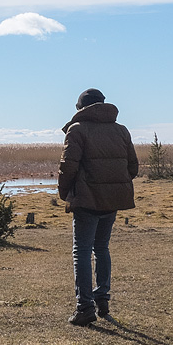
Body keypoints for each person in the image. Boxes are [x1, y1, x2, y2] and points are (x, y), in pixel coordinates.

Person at [58, 88, 138, 326]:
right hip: (111, 200)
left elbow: (67, 166)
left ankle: (84, 307)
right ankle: (102, 299)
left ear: (81, 108)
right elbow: (132, 167)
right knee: (101, 248)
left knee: (81, 252)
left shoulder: (77, 129)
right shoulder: (121, 130)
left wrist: (66, 193)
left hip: (87, 199)